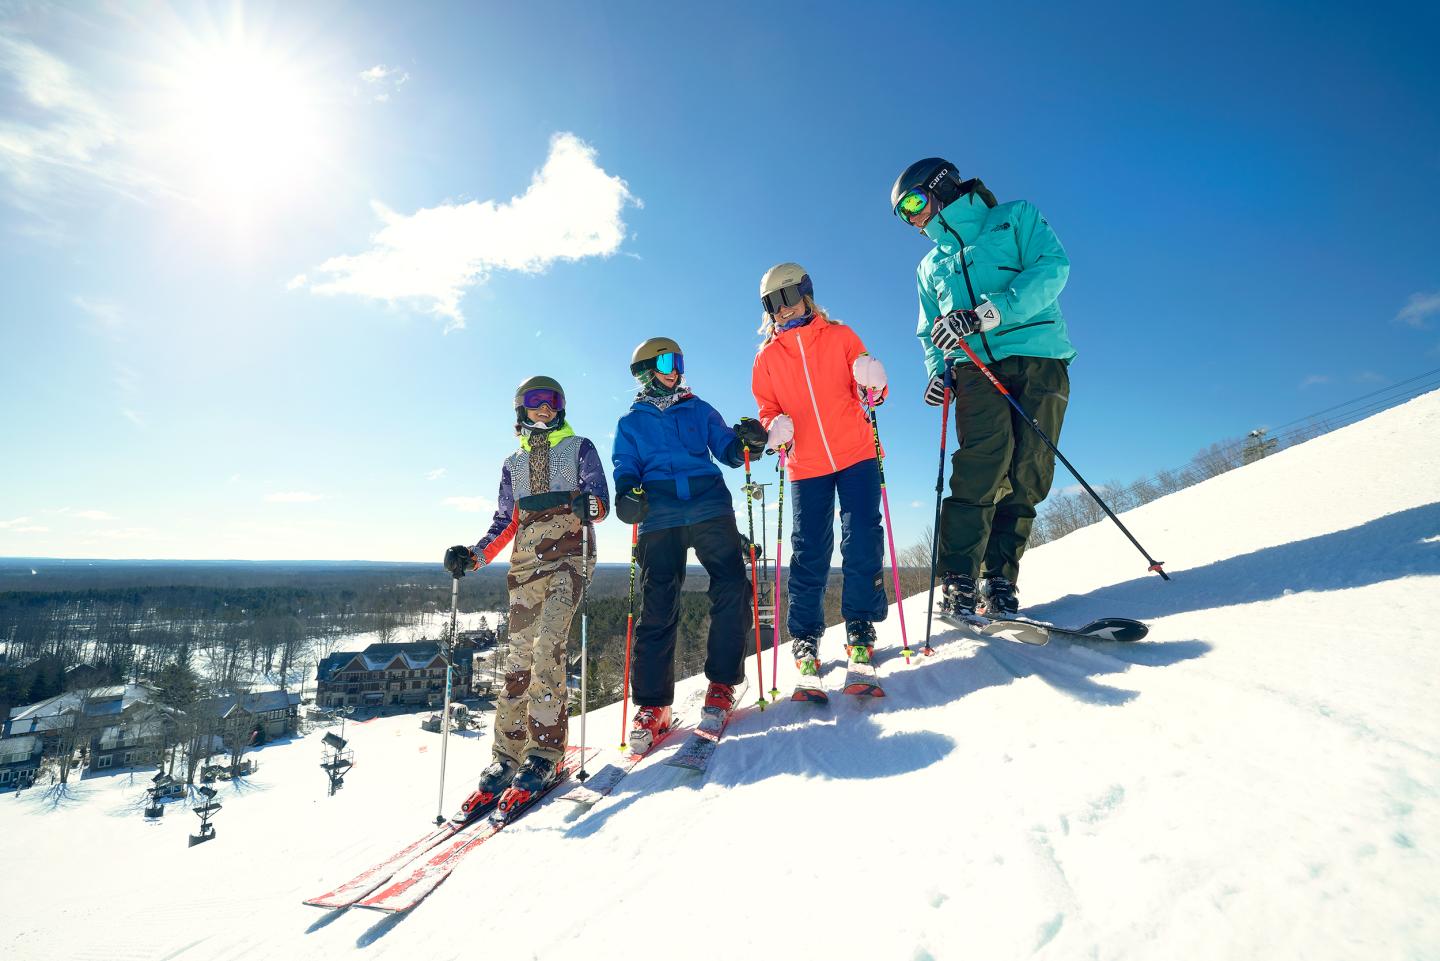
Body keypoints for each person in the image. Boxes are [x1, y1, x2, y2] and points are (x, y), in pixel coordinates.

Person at [890, 157, 1075, 617]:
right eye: (903, 214)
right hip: (973, 368)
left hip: (1039, 355)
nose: (912, 218)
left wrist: (988, 313)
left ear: (940, 186)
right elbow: (929, 329)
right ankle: (958, 580)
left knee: (1030, 469)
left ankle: (999, 578)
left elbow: (1052, 268)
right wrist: (940, 373)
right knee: (980, 466)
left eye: (913, 202)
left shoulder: (1014, 217)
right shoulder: (929, 265)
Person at [443, 375, 608, 809]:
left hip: (570, 558)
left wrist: (587, 505)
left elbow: (599, 502)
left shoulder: (579, 448)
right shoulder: (513, 463)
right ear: (520, 409)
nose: (545, 408)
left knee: (548, 647)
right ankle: (508, 752)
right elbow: (504, 522)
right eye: (536, 401)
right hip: (525, 564)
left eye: (552, 401)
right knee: (517, 655)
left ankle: (544, 752)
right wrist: (474, 556)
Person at [612, 337, 767, 752]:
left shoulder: (699, 409)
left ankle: (721, 683)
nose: (675, 367)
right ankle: (652, 706)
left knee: (733, 587)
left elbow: (729, 450)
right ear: (646, 370)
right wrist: (627, 492)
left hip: (708, 504)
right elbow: (625, 466)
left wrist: (747, 443)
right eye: (666, 360)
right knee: (658, 603)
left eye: (678, 360)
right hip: (659, 512)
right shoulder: (631, 423)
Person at [750, 263, 890, 677]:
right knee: (810, 548)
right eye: (771, 304)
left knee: (862, 537)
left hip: (856, 453)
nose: (782, 310)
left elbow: (870, 393)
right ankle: (806, 634)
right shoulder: (767, 358)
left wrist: (875, 383)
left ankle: (860, 625)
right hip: (805, 462)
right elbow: (766, 410)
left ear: (806, 295)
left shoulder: (841, 336)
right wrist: (772, 428)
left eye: (787, 298)